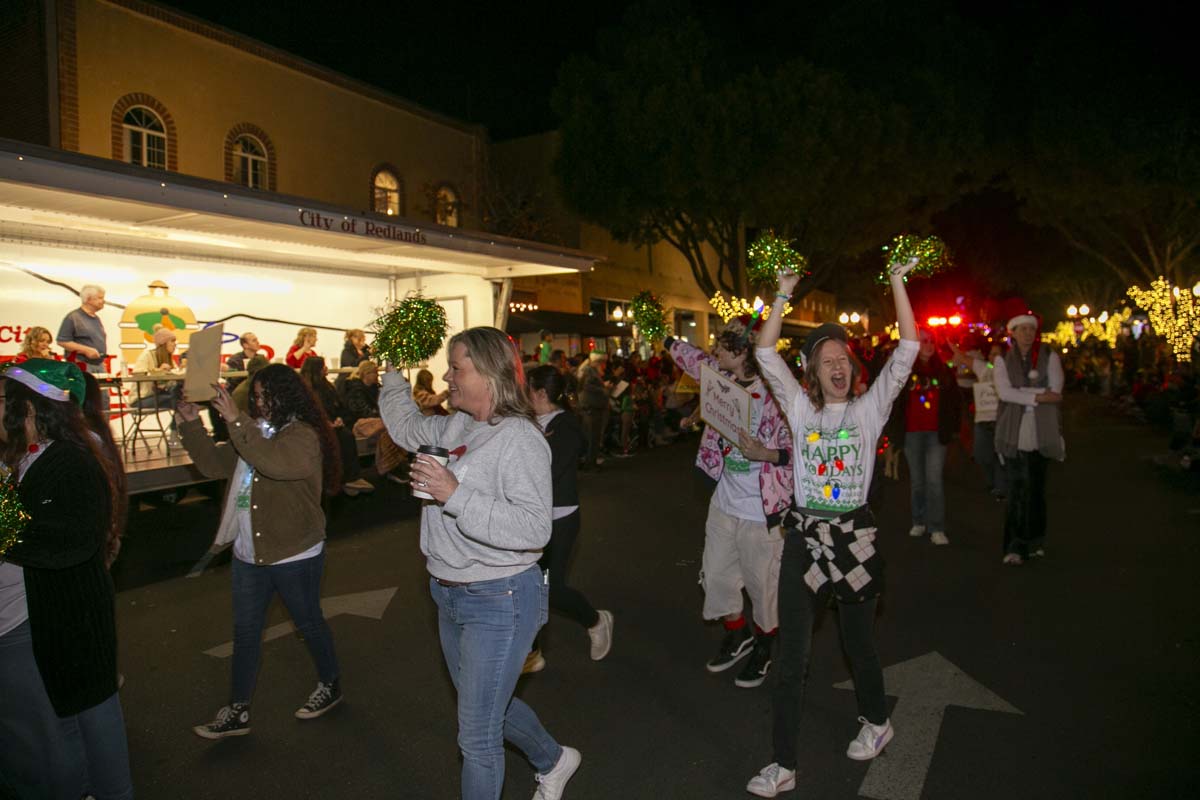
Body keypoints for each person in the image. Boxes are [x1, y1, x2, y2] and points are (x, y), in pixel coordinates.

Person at [379, 327, 581, 800]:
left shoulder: (521, 439)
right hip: (447, 592)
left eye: (457, 368)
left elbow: (535, 529)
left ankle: (551, 762)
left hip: (500, 597)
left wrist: (455, 494)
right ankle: (555, 759)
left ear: (489, 374)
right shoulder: (457, 424)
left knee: (476, 735)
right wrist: (390, 371)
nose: (448, 377)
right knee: (491, 706)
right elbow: (407, 427)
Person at [745, 257, 920, 797]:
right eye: (825, 362)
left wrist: (895, 280)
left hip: (854, 539)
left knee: (858, 644)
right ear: (812, 376)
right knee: (791, 656)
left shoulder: (869, 411)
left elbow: (909, 349)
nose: (837, 366)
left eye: (842, 358)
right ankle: (783, 764)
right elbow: (764, 351)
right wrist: (782, 295)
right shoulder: (800, 412)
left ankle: (876, 719)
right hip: (804, 540)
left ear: (853, 368)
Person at [175, 364, 345, 739]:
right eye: (256, 396)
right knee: (246, 632)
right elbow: (212, 464)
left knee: (308, 623)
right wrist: (191, 424)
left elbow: (275, 463)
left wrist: (238, 422)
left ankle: (330, 683)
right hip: (248, 554)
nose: (260, 402)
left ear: (289, 395)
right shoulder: (255, 431)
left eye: (267, 395)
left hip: (294, 552)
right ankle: (238, 709)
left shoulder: (303, 435)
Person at [0, 359, 134, 799]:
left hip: (58, 624)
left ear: (31, 409)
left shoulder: (69, 462)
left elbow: (62, 543)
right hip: (41, 625)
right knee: (62, 733)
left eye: (2, 400)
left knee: (78, 737)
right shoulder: (23, 460)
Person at [666, 316, 794, 689]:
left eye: (721, 347)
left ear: (740, 352)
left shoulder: (776, 397)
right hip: (724, 501)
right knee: (718, 576)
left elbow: (800, 445)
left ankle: (766, 645)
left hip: (761, 509)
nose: (713, 352)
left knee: (761, 585)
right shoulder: (720, 382)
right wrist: (664, 338)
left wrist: (767, 454)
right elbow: (690, 359)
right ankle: (738, 634)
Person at [523, 365, 613, 674]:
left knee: (550, 587)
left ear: (541, 393)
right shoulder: (527, 421)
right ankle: (532, 650)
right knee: (530, 584)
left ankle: (596, 620)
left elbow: (548, 473)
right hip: (529, 520)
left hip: (558, 521)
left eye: (528, 390)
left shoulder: (566, 427)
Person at [994, 311, 1064, 566]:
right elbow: (1004, 392)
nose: (1027, 334)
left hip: (1041, 430)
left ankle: (1035, 540)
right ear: (1013, 333)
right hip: (1014, 430)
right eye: (1021, 329)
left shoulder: (1049, 355)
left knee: (1036, 488)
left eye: (1030, 329)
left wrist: (1021, 392)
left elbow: (1056, 391)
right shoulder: (1002, 358)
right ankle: (1014, 545)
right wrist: (1037, 395)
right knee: (1016, 489)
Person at [894, 327, 960, 546]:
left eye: (931, 341)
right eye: (923, 341)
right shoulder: (903, 369)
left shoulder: (944, 371)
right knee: (917, 482)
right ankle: (918, 520)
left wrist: (952, 429)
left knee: (934, 481)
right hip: (912, 433)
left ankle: (937, 527)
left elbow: (954, 402)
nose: (928, 345)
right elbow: (893, 402)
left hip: (935, 434)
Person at [299, 357, 375, 496]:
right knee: (341, 438)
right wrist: (326, 423)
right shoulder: (306, 390)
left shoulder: (326, 386)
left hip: (331, 423)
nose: (326, 369)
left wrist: (339, 419)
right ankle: (345, 478)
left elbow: (339, 406)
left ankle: (351, 477)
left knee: (346, 436)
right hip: (315, 427)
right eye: (323, 367)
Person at [950, 339, 1007, 500]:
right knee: (982, 455)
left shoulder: (1010, 374)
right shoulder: (984, 369)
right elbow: (962, 358)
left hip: (1001, 421)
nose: (993, 357)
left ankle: (1000, 489)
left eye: (997, 354)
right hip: (982, 421)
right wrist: (948, 340)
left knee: (1000, 456)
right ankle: (992, 482)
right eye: (991, 353)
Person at [56, 284, 109, 374]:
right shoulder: (73, 317)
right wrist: (86, 350)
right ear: (88, 299)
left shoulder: (96, 318)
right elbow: (62, 341)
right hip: (82, 365)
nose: (103, 301)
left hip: (98, 365)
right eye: (100, 298)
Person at [576, 351, 609, 468]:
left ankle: (589, 461)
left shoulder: (590, 370)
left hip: (591, 407)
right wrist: (603, 389)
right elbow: (586, 386)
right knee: (592, 437)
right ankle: (590, 463)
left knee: (591, 436)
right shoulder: (589, 371)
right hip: (591, 407)